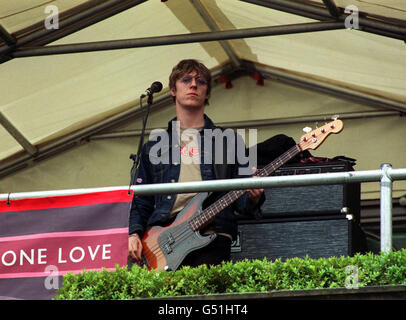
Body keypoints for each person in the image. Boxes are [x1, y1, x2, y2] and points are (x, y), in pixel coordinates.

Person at [128, 59, 264, 268]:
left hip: (212, 233)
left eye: (200, 81)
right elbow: (141, 199)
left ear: (207, 93)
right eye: (186, 80)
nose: (193, 85)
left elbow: (242, 203)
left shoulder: (228, 141)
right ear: (173, 90)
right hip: (162, 240)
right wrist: (134, 233)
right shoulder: (154, 146)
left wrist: (254, 198)